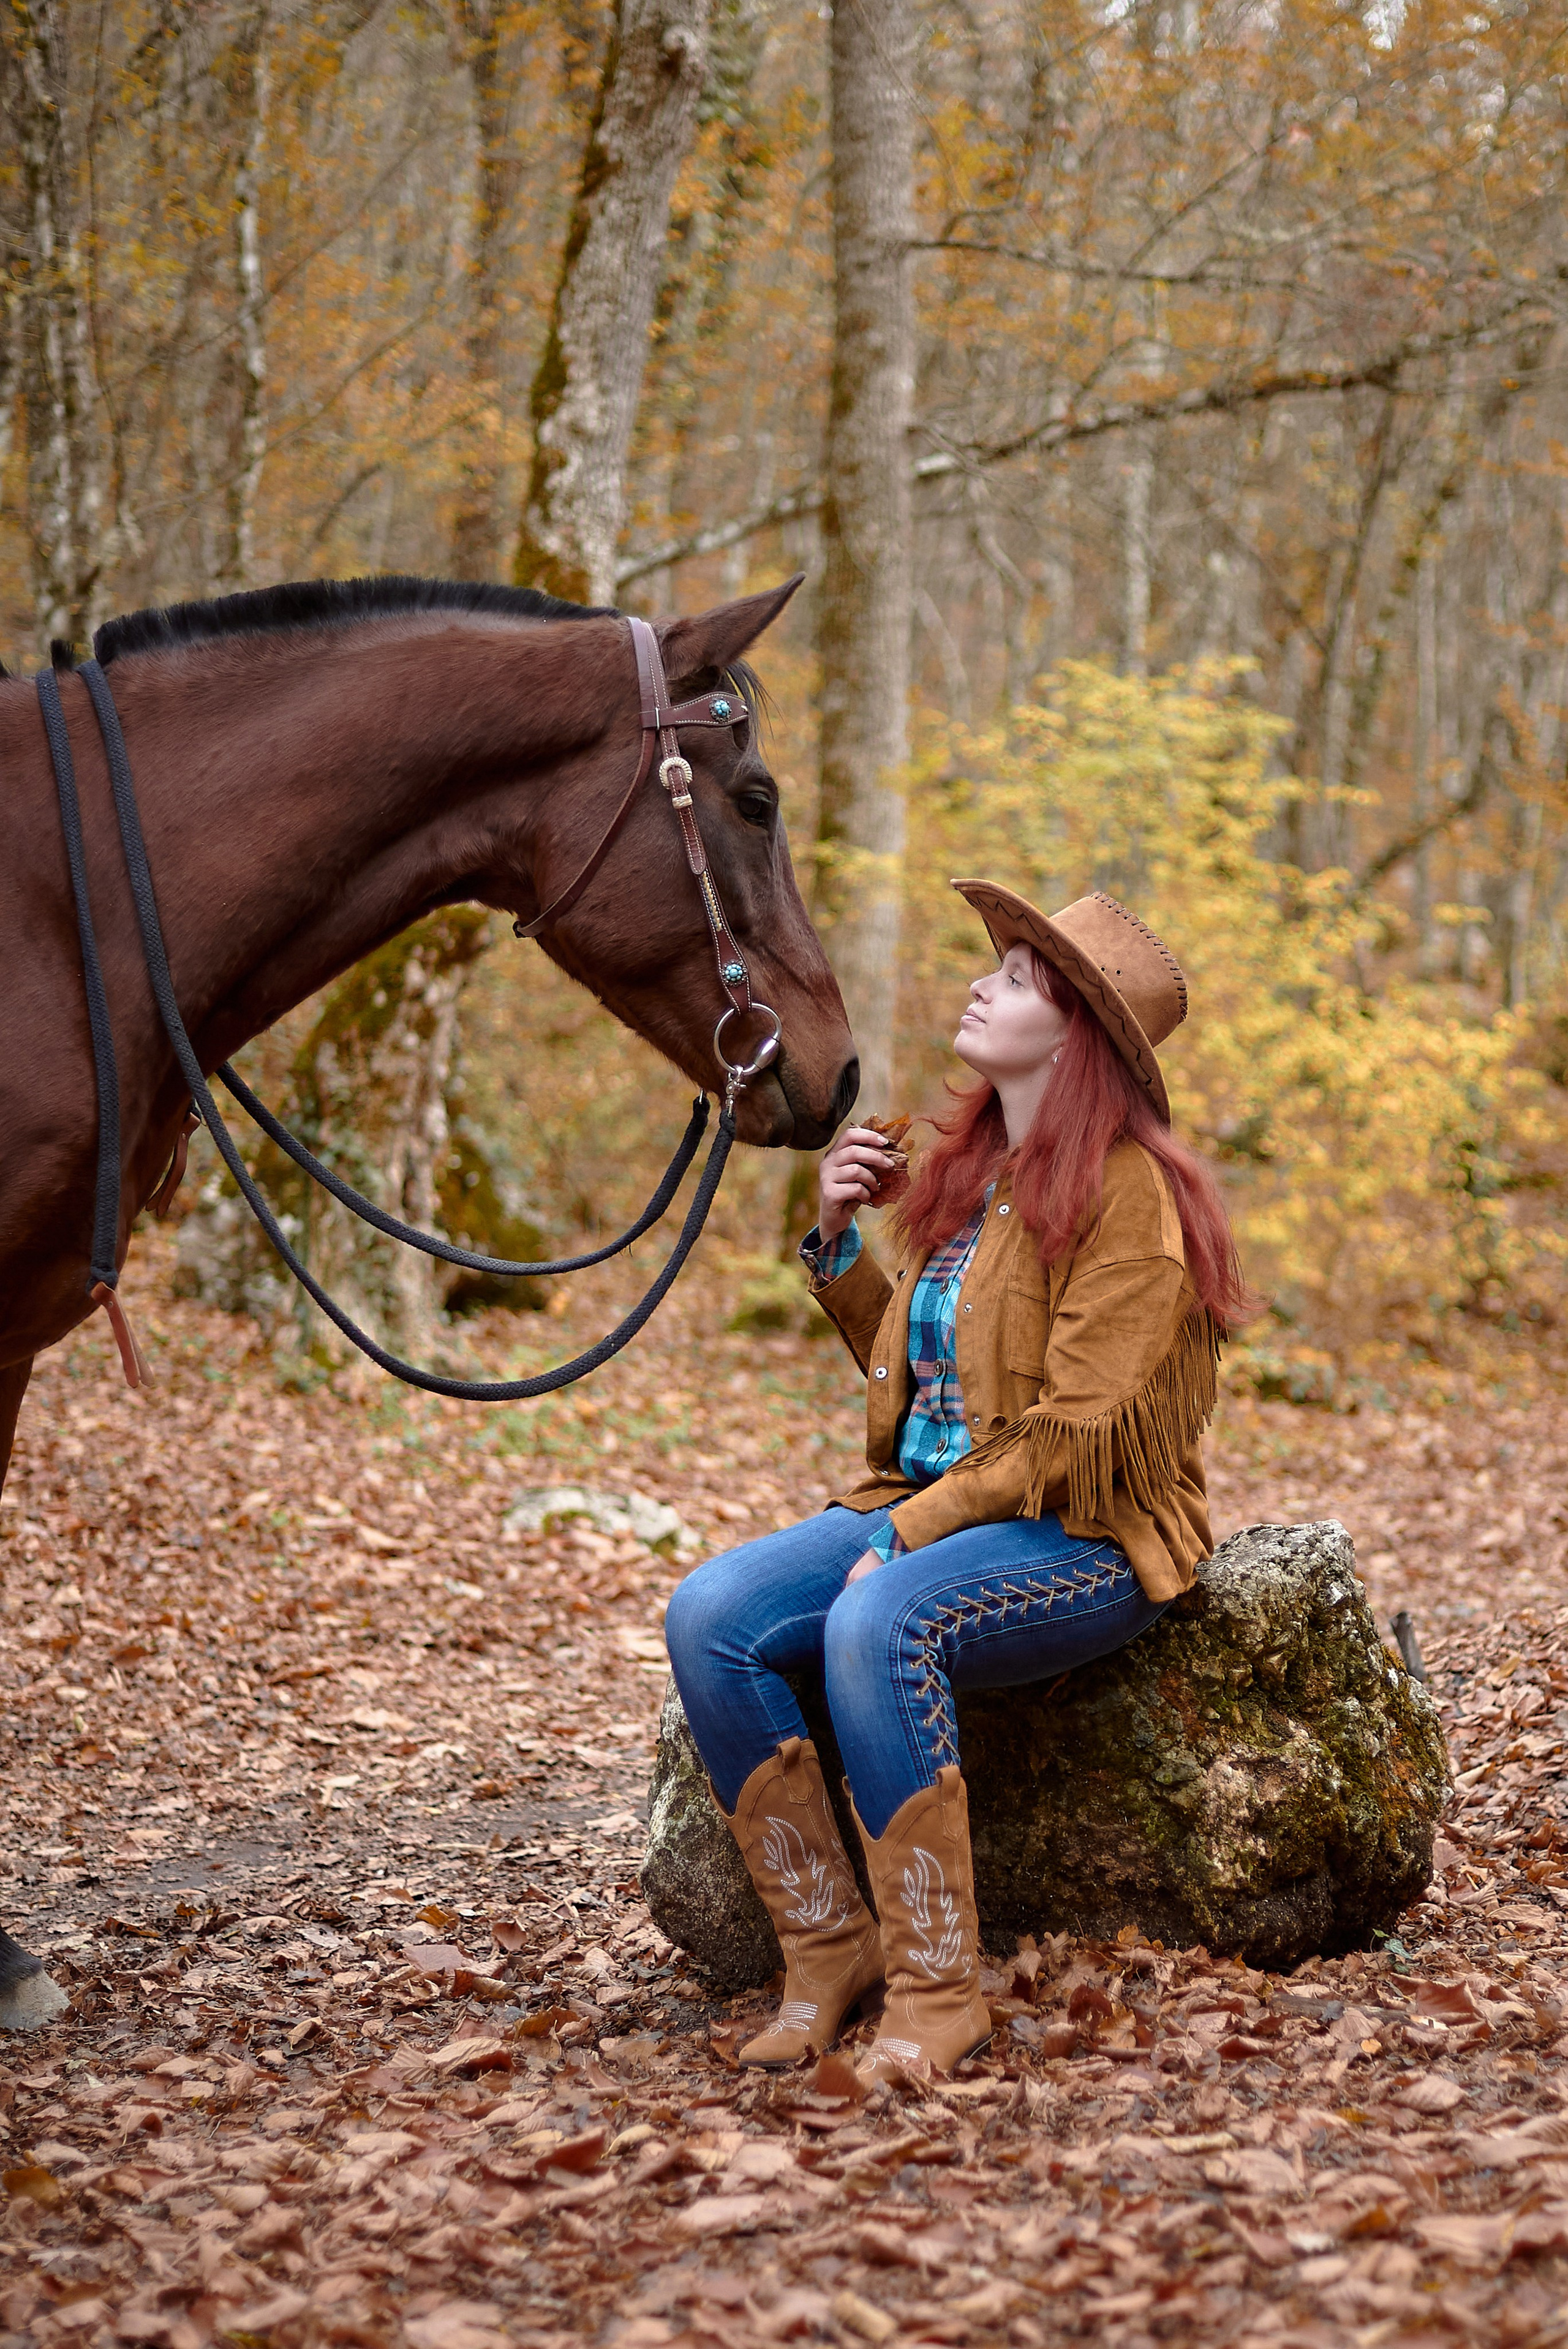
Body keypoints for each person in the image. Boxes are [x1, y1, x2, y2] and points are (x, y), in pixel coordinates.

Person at [663, 882, 1255, 2083]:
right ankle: (828, 1950)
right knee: (709, 1614)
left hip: (1082, 1533)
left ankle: (938, 1992)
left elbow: (1067, 1434)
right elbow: (937, 1390)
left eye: (1018, 980)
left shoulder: (1132, 1195)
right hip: (937, 1509)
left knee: (880, 1620)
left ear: (1076, 1037)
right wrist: (838, 1244)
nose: (982, 985)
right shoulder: (980, 1172)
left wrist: (907, 1536)